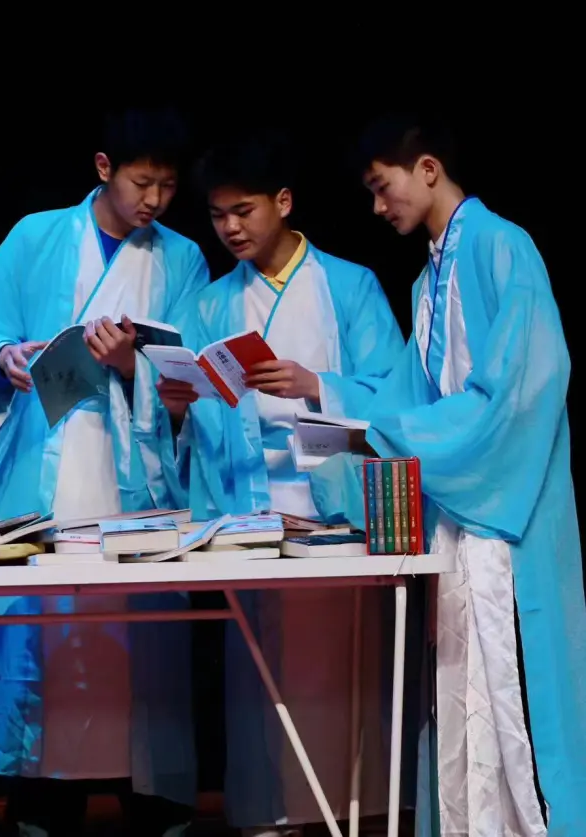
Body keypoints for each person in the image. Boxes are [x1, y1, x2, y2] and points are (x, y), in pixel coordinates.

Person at [310, 112, 586, 836]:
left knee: (513, 699)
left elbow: (522, 388)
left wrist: (405, 434)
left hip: (507, 511)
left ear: (427, 169)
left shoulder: (502, 247)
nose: (378, 206)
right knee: (460, 693)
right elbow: (404, 398)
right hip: (456, 522)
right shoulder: (427, 280)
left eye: (383, 186)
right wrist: (327, 402)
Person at [0, 106, 210, 837]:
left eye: (167, 186)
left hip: (136, 471)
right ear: (104, 169)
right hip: (47, 460)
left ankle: (153, 801)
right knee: (47, 629)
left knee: (140, 640)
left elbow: (189, 367)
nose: (154, 200)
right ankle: (41, 800)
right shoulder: (35, 236)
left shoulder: (184, 258)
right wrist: (4, 359)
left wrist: (133, 366)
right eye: (141, 182)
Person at [155, 133, 406, 836]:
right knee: (262, 672)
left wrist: (316, 384)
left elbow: (396, 393)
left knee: (339, 668)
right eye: (218, 215)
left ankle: (355, 811)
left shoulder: (348, 285)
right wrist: (181, 406)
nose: (230, 228)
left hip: (331, 504)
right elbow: (193, 406)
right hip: (248, 504)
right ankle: (269, 815)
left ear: (284, 202)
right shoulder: (211, 303)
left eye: (244, 211)